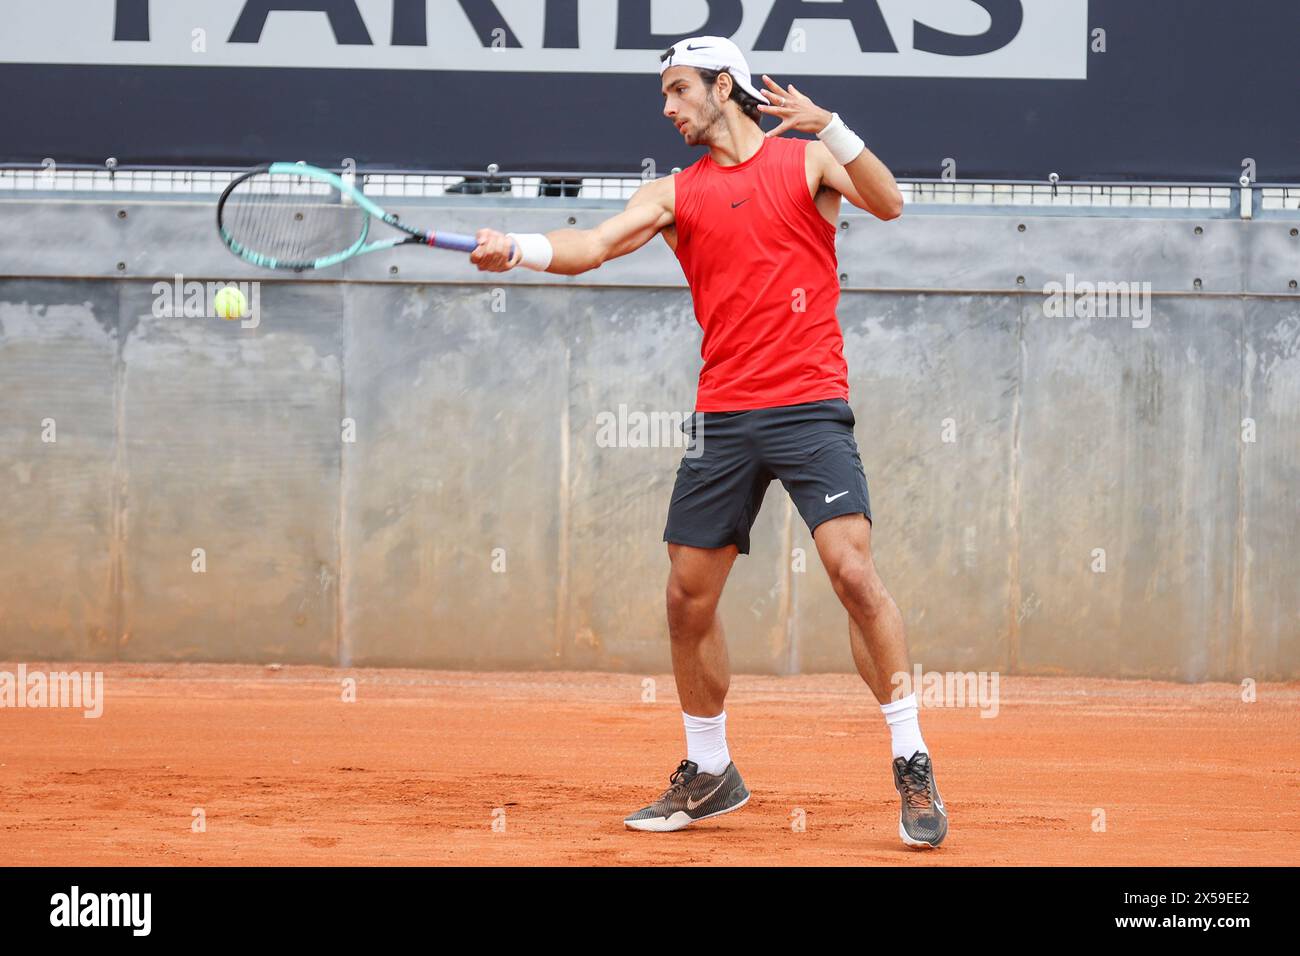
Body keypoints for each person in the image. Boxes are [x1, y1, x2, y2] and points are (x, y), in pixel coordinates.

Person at [470, 35, 946, 849]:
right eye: (664, 94)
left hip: (808, 406)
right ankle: (710, 770)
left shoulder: (805, 163)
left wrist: (829, 124)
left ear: (725, 86)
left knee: (852, 570)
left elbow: (891, 200)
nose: (668, 107)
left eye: (680, 90)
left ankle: (911, 758)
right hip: (723, 416)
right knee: (686, 597)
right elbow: (593, 247)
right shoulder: (673, 194)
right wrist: (519, 249)